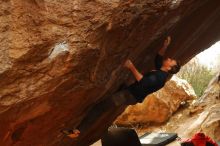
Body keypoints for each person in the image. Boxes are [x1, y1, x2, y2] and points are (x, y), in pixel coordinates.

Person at [61, 36, 181, 139]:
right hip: (130, 92)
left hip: (129, 95)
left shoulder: (160, 78)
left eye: (171, 61)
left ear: (170, 68)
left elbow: (144, 82)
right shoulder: (161, 70)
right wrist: (165, 45)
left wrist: (131, 66)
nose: (169, 59)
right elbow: (158, 57)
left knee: (100, 107)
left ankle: (77, 131)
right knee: (115, 94)